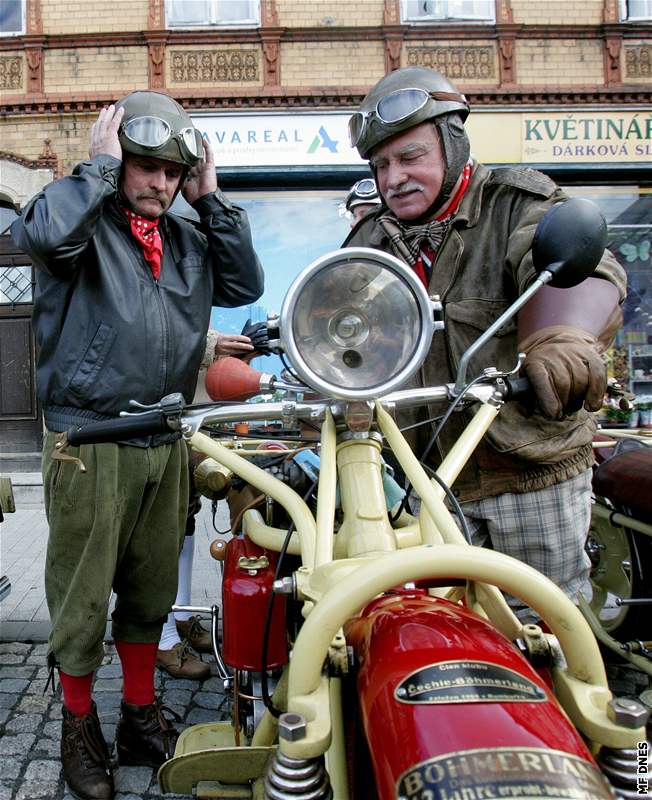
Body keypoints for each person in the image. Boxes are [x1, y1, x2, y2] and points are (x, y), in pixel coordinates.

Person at [11, 91, 263, 800]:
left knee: (152, 591)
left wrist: (211, 198)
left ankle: (139, 713)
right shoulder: (79, 220)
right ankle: (79, 724)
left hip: (162, 434)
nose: (160, 183)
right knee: (82, 597)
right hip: (89, 439)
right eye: (145, 166)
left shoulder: (186, 231)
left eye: (173, 172)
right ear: (120, 160)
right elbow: (45, 237)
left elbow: (245, 281)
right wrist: (94, 169)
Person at [343, 67, 626, 620]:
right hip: (428, 484)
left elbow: (589, 271)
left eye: (410, 158)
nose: (394, 177)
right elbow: (336, 325)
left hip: (528, 475)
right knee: (440, 632)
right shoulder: (370, 240)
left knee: (546, 629)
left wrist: (563, 336)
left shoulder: (515, 203)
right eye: (381, 166)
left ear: (452, 145)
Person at [156, 329, 255, 680]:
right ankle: (162, 637)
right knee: (161, 524)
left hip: (193, 412)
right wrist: (211, 345)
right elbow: (154, 322)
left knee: (185, 515)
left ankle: (180, 617)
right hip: (155, 411)